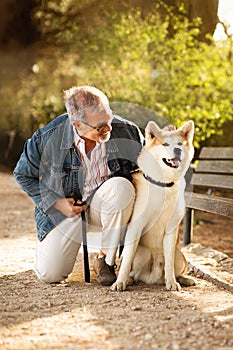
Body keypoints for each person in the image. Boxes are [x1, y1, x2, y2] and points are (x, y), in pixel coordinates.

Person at [14, 86, 144, 285]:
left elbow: (148, 170)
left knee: (121, 187)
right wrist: (57, 203)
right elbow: (22, 174)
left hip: (106, 205)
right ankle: (49, 250)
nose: (109, 128)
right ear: (77, 124)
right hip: (68, 209)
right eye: (100, 126)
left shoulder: (127, 131)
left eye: (109, 118)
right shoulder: (47, 137)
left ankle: (105, 259)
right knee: (50, 275)